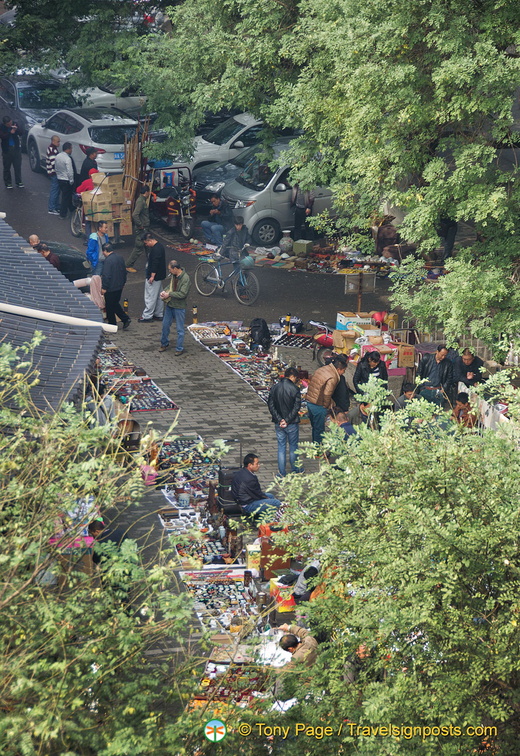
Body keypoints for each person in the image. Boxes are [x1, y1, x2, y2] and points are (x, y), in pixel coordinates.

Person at [267, 367, 302, 477]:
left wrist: (279, 419)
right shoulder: (295, 389)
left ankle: (281, 473)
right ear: (292, 376)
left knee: (281, 447)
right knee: (293, 447)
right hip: (291, 423)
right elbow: (296, 407)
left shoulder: (274, 388)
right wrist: (287, 420)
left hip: (278, 423)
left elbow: (271, 405)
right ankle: (295, 469)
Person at [306, 355, 348, 443]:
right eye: (343, 371)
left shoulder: (323, 369)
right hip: (318, 404)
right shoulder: (334, 377)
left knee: (315, 427)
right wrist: (326, 406)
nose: (343, 373)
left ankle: (315, 447)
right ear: (339, 369)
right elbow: (327, 393)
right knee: (319, 430)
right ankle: (319, 451)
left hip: (310, 400)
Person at [231, 453, 282, 518]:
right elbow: (258, 495)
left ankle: (264, 515)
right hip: (247, 505)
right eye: (257, 464)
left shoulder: (242, 471)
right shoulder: (250, 479)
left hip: (243, 499)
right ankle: (267, 521)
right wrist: (267, 499)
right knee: (276, 502)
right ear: (250, 465)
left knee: (271, 496)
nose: (259, 465)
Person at [275, 623, 318, 698]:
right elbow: (303, 632)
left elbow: (284, 671)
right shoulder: (310, 640)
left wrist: (268, 669)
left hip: (315, 678)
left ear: (290, 649)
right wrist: (288, 627)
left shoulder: (296, 658)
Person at [158, 259, 190, 354]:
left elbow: (183, 294)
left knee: (180, 329)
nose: (169, 271)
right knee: (165, 325)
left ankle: (179, 348)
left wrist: (169, 294)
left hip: (179, 307)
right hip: (170, 305)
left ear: (175, 268)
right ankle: (164, 344)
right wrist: (165, 291)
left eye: (170, 269)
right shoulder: (174, 275)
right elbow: (170, 286)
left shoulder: (185, 279)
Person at [101, 243, 131, 329]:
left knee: (109, 306)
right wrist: (123, 283)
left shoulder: (108, 261)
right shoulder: (120, 257)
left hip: (111, 287)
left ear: (105, 251)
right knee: (115, 304)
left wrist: (104, 287)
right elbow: (124, 272)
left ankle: (112, 324)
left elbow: (106, 275)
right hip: (119, 286)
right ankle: (125, 319)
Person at [138, 233, 167, 323]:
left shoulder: (155, 250)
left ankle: (147, 315)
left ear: (149, 240)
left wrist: (152, 276)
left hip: (154, 277)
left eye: (146, 243)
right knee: (159, 296)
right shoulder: (160, 246)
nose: (146, 245)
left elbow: (155, 263)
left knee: (150, 296)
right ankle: (158, 313)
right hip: (159, 276)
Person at [126, 185, 151, 272]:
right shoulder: (141, 201)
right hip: (142, 229)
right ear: (146, 192)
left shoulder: (142, 200)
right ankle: (128, 265)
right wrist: (140, 225)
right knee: (139, 247)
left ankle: (151, 264)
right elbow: (135, 214)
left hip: (144, 228)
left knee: (148, 247)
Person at [0, 116, 23, 189]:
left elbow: (21, 133)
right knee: (7, 167)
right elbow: (2, 137)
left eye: (10, 123)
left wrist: (17, 129)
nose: (10, 125)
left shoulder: (15, 124)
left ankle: (19, 181)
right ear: (4, 124)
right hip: (7, 149)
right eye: (8, 124)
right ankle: (8, 182)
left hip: (16, 148)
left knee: (17, 166)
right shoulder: (1, 127)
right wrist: (10, 132)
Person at [55, 142, 75, 219]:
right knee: (65, 197)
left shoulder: (58, 156)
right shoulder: (68, 159)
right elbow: (70, 171)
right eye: (71, 148)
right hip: (66, 180)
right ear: (68, 149)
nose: (71, 150)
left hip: (60, 178)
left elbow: (56, 167)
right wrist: (71, 180)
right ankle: (63, 213)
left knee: (66, 195)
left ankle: (71, 207)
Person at [46, 135, 61, 214]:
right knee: (55, 190)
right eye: (58, 141)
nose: (59, 143)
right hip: (53, 173)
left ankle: (55, 206)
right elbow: (53, 163)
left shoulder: (53, 149)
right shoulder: (52, 150)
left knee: (56, 190)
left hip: (53, 172)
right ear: (53, 141)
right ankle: (52, 208)